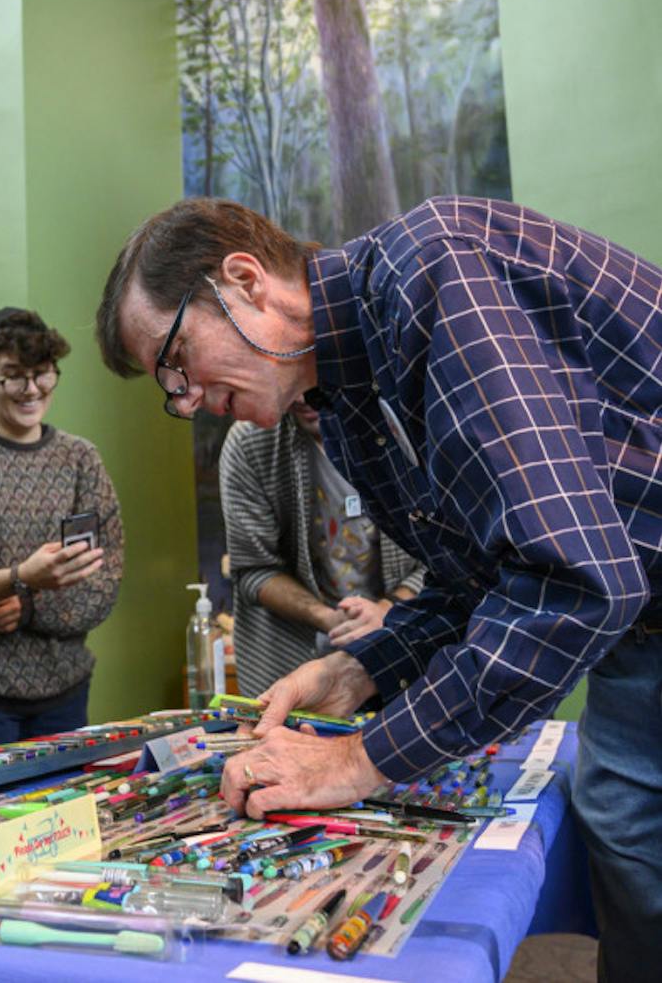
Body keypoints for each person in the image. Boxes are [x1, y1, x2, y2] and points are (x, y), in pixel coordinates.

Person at [96, 194, 662, 977]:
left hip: (627, 606)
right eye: (170, 388)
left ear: (246, 281)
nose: (186, 400)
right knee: (630, 859)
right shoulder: (347, 403)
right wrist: (363, 667)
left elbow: (573, 581)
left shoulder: (433, 267)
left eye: (176, 359)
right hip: (638, 636)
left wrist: (358, 760)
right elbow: (483, 577)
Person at [0, 307, 122, 750]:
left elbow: (104, 581)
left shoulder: (80, 460)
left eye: (43, 374)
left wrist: (26, 605)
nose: (32, 390)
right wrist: (19, 579)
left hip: (66, 693)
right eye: (14, 376)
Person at [219, 397, 425, 696]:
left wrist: (388, 610)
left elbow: (446, 558)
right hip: (293, 665)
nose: (304, 398)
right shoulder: (250, 443)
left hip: (410, 655)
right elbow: (253, 570)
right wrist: (330, 619)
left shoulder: (399, 429)